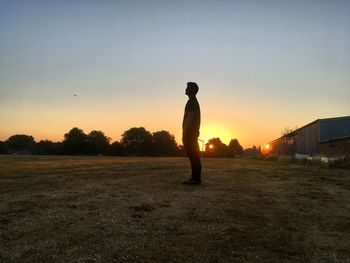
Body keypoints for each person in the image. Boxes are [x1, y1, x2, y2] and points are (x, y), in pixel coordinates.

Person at [182, 82, 202, 185]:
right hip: (192, 132)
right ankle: (195, 178)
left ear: (193, 90)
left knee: (193, 155)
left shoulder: (192, 101)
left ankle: (195, 179)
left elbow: (191, 116)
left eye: (187, 88)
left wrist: (185, 131)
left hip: (190, 133)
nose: (185, 89)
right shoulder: (193, 101)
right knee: (193, 155)